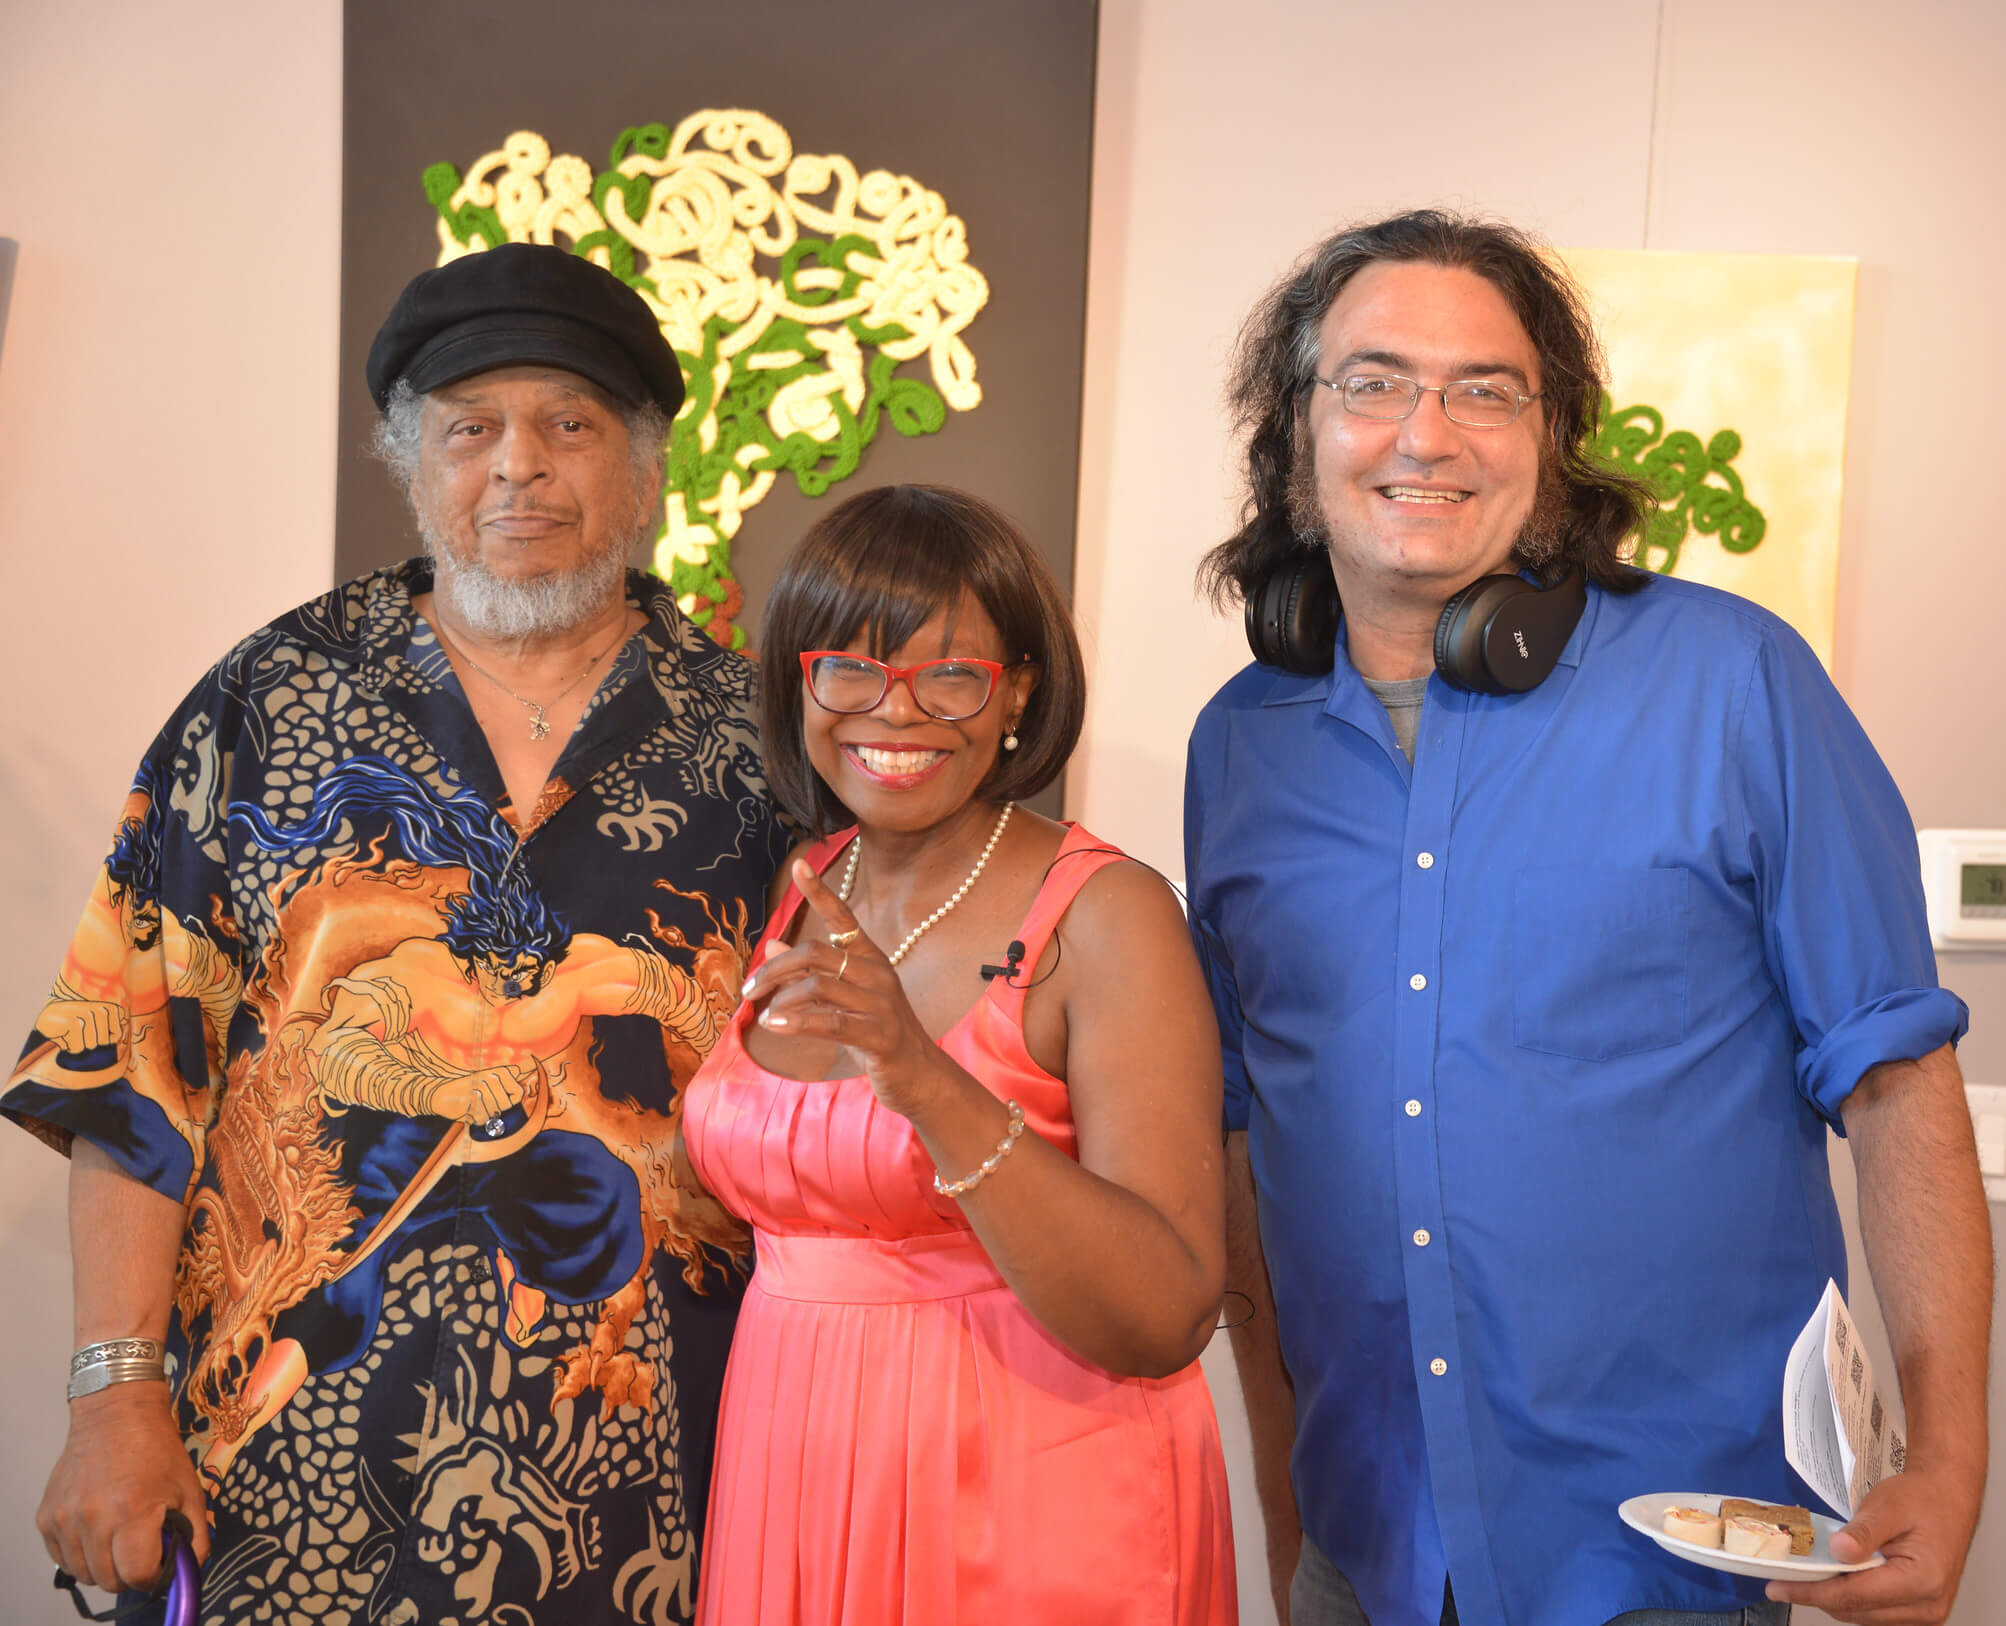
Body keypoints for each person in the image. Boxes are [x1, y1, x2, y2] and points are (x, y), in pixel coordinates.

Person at [1184, 210, 1989, 1626]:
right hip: (1360, 1551)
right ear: (1295, 435)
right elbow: (1250, 1144)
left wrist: (1945, 1455)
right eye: (1372, 382)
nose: (1426, 433)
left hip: (1676, 1555)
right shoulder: (1238, 744)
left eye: (1484, 389)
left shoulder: (1736, 681)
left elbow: (1894, 1075)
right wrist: (1281, 1492)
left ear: (1549, 441)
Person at [8, 241, 787, 1623]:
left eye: (568, 425)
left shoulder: (759, 744)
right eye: (468, 428)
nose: (518, 467)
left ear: (644, 466)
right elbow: (129, 1068)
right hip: (276, 1474)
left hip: (652, 1491)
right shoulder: (266, 703)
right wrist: (111, 1394)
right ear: (409, 463)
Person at [680, 483, 1237, 1624]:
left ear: (1016, 690)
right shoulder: (797, 886)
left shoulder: (1106, 915)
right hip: (793, 1473)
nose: (895, 712)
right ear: (800, 683)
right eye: (851, 669)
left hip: (1026, 1501)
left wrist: (925, 1079)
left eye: (949, 675)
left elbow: (1170, 1312)